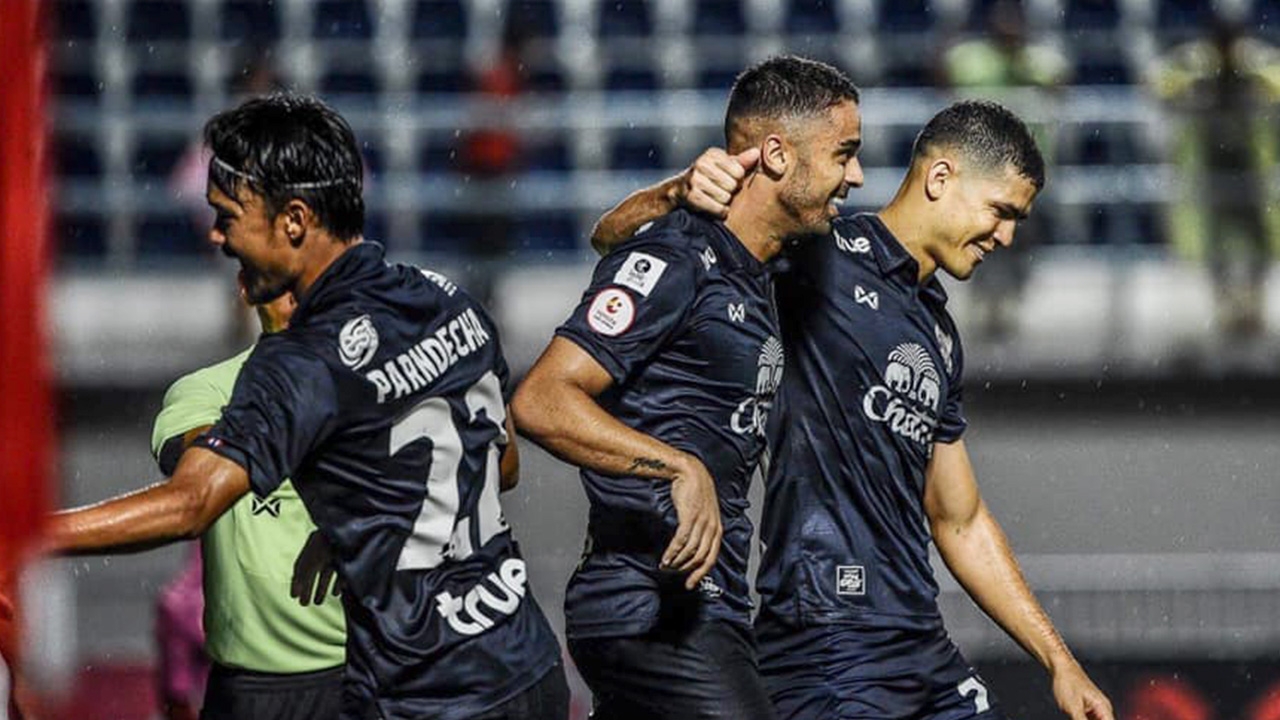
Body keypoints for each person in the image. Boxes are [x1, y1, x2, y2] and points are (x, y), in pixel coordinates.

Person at [29, 94, 568, 720]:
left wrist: (24, 535)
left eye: (228, 215)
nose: (216, 235)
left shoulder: (298, 362)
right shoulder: (446, 300)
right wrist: (366, 523)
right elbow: (503, 466)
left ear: (293, 220)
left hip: (426, 693)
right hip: (525, 664)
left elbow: (189, 504)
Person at [591, 100, 1113, 720]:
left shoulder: (938, 333)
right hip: (824, 645)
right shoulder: (817, 256)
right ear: (940, 178)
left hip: (920, 642)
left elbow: (960, 520)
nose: (1007, 237)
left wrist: (1059, 662)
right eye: (1001, 212)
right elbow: (613, 239)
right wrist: (675, 192)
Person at [511, 55, 864, 720]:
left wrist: (669, 193)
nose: (857, 175)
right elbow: (540, 400)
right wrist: (677, 466)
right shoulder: (679, 256)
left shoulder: (763, 267)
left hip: (709, 605)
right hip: (649, 608)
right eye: (844, 154)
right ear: (776, 155)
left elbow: (607, 235)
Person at [150, 288, 346, 720]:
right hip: (253, 687)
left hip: (369, 671)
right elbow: (192, 488)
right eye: (283, 279)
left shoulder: (384, 384)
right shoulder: (205, 390)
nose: (297, 296)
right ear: (249, 286)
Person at [1148, 15, 1280, 342]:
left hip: (1252, 168)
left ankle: (1253, 304)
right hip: (1211, 166)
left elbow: (1276, 82)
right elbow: (1157, 82)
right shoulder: (1196, 61)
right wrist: (1194, 88)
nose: (1227, 51)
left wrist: (1256, 87)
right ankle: (1225, 304)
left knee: (1260, 240)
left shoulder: (1257, 59)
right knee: (1215, 240)